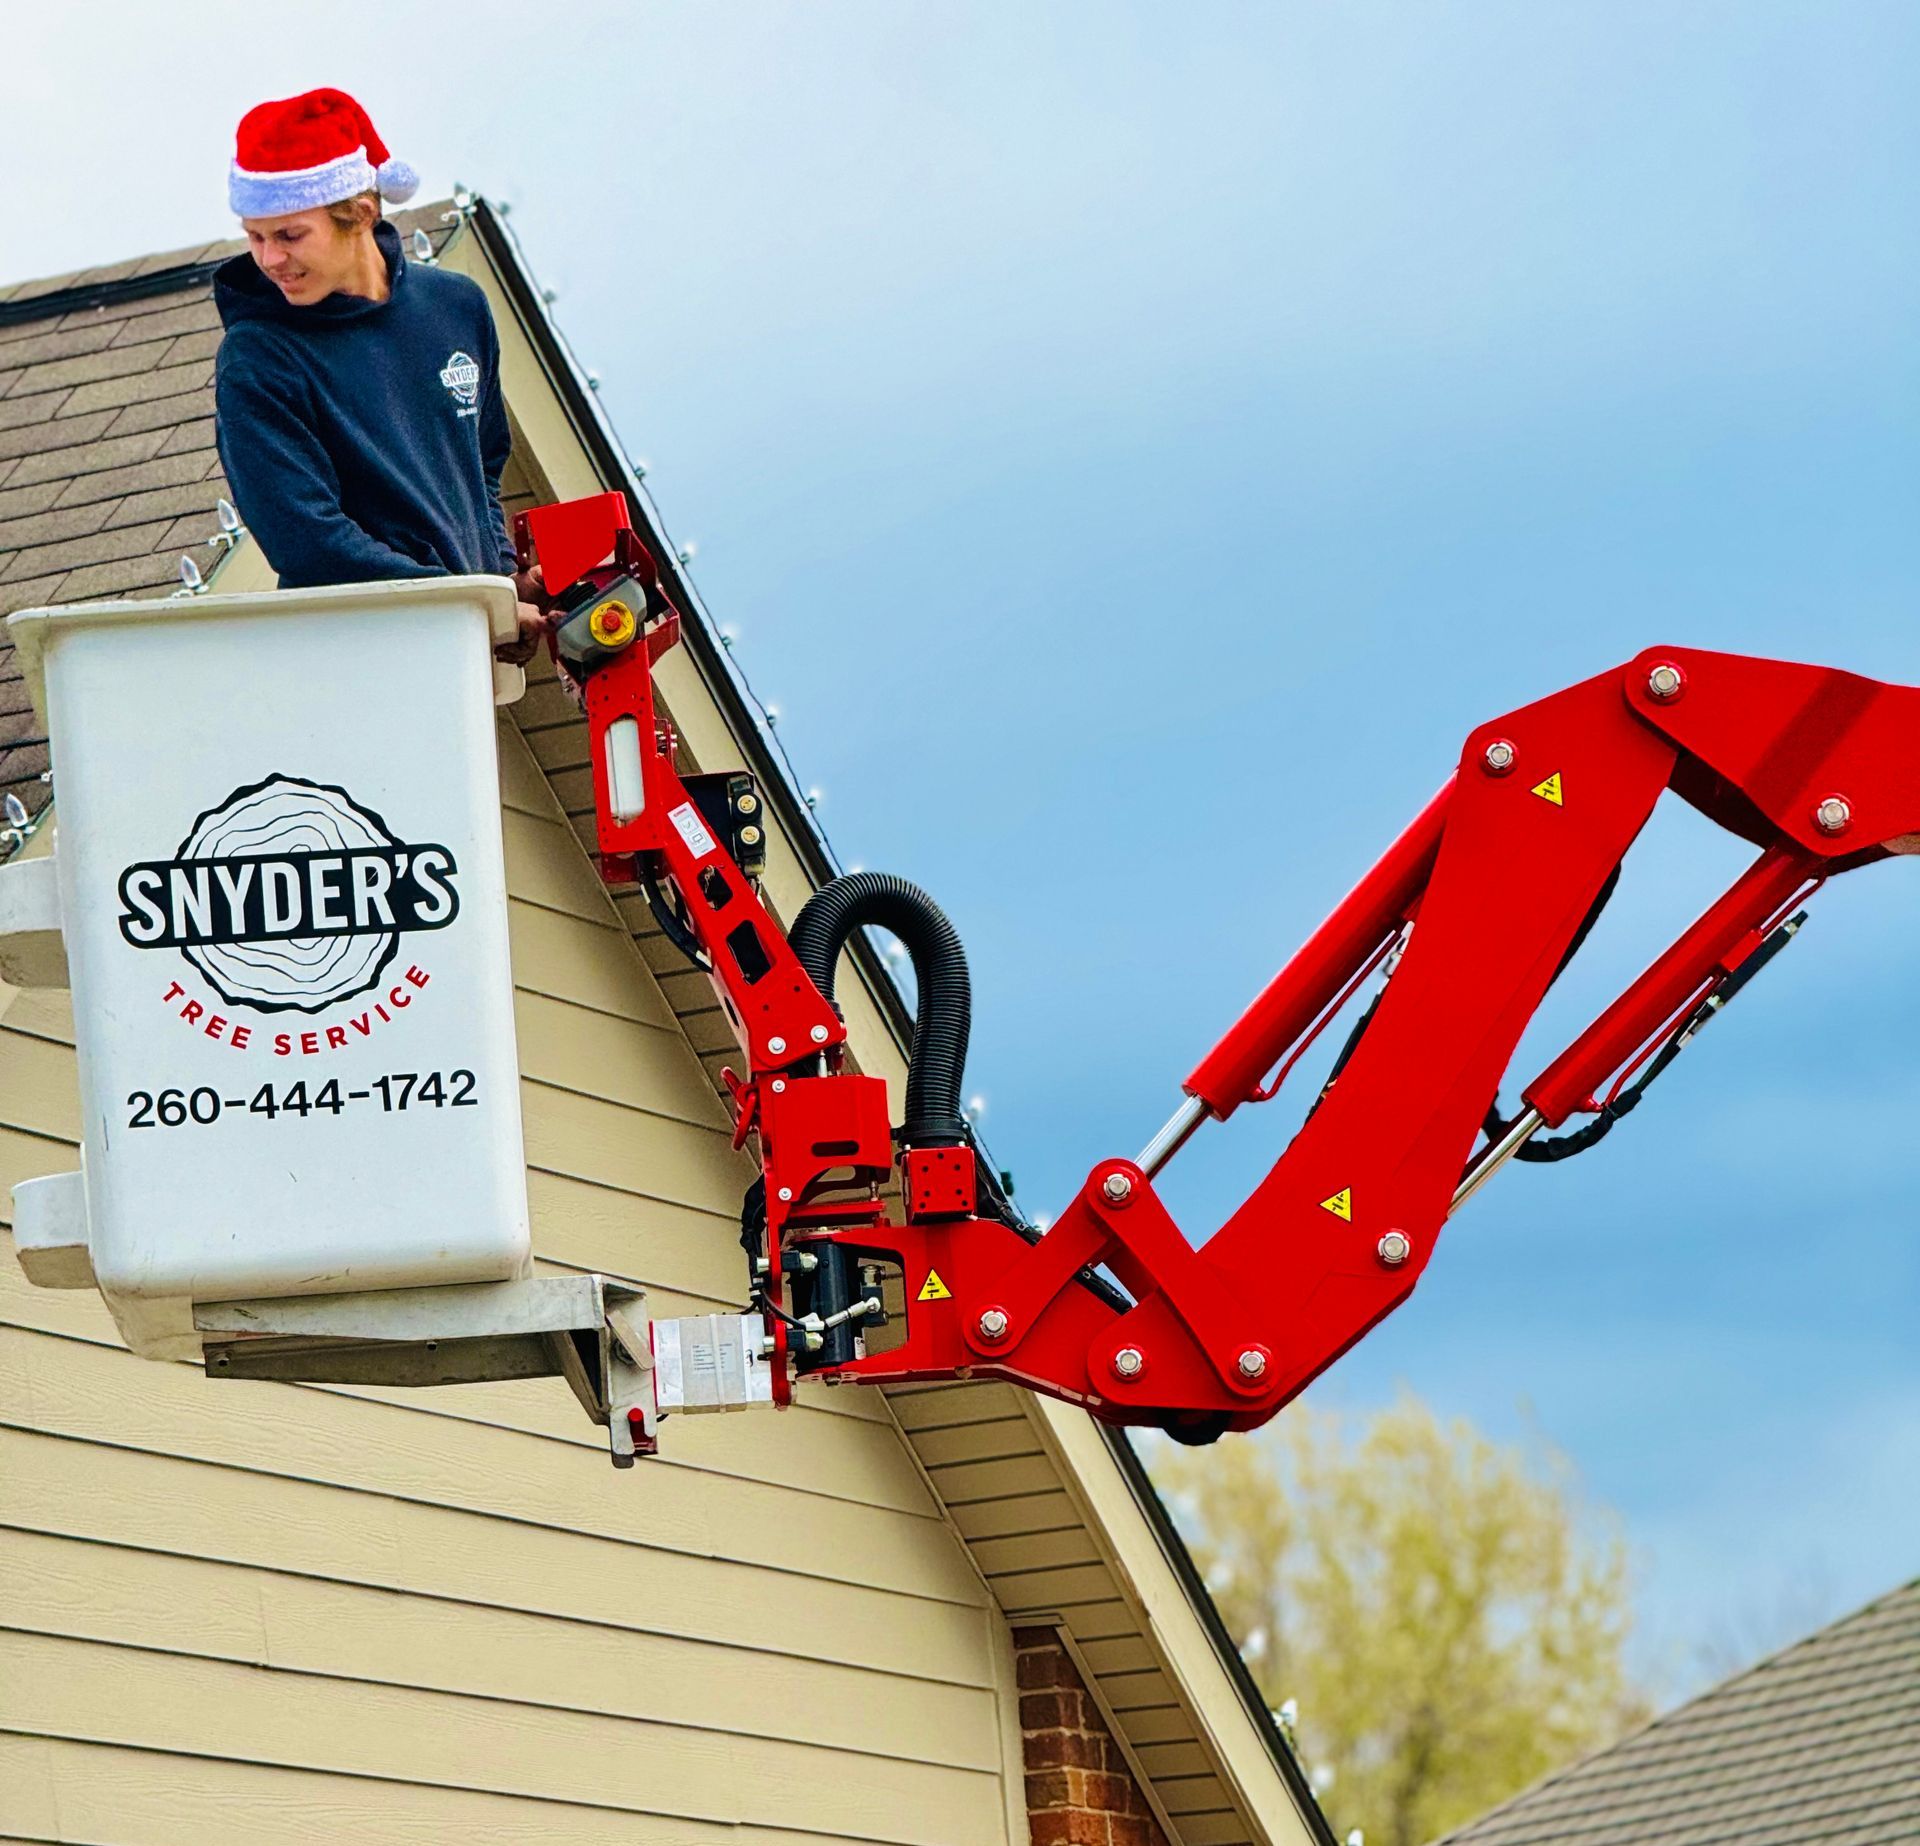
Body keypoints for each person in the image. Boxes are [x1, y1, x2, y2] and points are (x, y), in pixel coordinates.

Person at [213, 87, 545, 662]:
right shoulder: (258, 358)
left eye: (289, 235)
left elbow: (480, 471)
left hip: (457, 666)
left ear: (361, 213)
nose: (268, 260)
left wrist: (499, 582)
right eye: (254, 236)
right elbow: (309, 543)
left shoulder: (457, 308)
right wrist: (474, 607)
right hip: (351, 668)